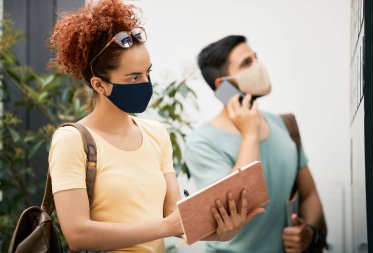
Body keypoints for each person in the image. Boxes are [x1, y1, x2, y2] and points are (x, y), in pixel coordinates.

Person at [47, 1, 262, 253]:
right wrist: (165, 227)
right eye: (134, 77)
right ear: (99, 84)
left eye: (147, 73)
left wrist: (223, 232)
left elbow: (176, 219)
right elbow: (77, 234)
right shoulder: (71, 140)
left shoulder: (156, 134)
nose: (146, 83)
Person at [185, 35, 327, 253]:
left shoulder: (283, 125)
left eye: (256, 58)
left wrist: (307, 231)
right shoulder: (202, 141)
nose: (258, 66)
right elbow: (231, 207)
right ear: (223, 85)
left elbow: (309, 194)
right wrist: (250, 134)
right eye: (247, 63)